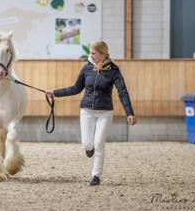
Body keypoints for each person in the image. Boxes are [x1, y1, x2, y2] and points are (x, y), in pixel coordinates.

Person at [46, 41, 136, 186]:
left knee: (99, 143)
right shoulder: (87, 68)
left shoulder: (114, 70)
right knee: (87, 144)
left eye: (94, 53)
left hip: (105, 112)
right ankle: (89, 149)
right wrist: (55, 93)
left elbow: (122, 92)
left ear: (103, 54)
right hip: (86, 110)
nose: (91, 55)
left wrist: (129, 113)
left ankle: (96, 175)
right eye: (91, 53)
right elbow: (76, 88)